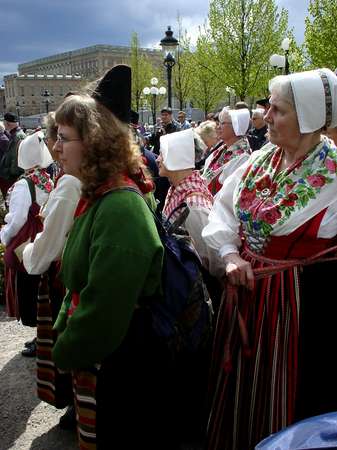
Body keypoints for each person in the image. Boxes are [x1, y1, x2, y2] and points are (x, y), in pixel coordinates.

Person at [202, 68, 337, 450]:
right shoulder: (262, 158)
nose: (268, 116)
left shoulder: (333, 174)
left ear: (308, 116)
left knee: (289, 391)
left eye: (278, 110)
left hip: (297, 309)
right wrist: (229, 254)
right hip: (246, 295)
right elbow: (223, 210)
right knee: (244, 385)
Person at [51, 65, 178, 449]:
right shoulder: (99, 194)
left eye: (63, 138)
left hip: (123, 362)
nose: (55, 147)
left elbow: (106, 306)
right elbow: (79, 280)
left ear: (93, 143)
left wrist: (66, 347)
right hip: (112, 355)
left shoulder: (119, 206)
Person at [1, 131, 53, 356]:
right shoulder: (46, 178)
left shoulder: (24, 184)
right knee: (42, 288)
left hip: (27, 243)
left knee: (29, 288)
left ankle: (40, 337)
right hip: (43, 236)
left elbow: (18, 218)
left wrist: (5, 234)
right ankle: (42, 334)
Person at [202, 107, 251, 195]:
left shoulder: (243, 158)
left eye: (222, 123)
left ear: (235, 126)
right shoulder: (222, 150)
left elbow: (230, 193)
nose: (218, 127)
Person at [0, 112, 26, 198]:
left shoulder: (17, 136)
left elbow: (16, 158)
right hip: (11, 176)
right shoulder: (17, 134)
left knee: (10, 200)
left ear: (7, 123)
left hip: (10, 178)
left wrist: (9, 174)